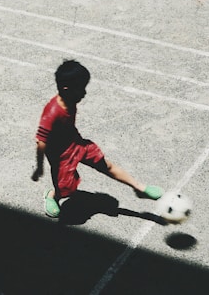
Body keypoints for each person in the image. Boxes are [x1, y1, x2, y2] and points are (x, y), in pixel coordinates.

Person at [31, 59, 163, 218]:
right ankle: (52, 195)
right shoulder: (52, 112)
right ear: (66, 89)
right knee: (67, 190)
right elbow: (41, 142)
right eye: (80, 89)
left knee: (106, 165)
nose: (84, 93)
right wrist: (40, 167)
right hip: (61, 156)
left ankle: (139, 188)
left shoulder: (70, 98)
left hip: (77, 143)